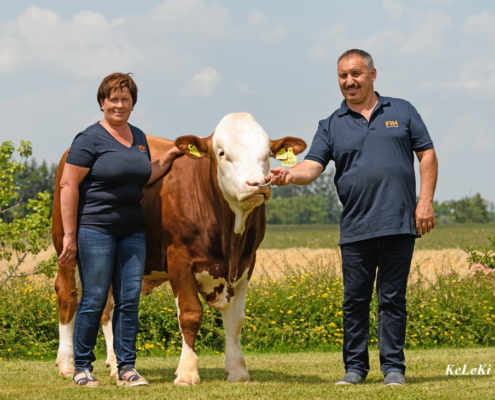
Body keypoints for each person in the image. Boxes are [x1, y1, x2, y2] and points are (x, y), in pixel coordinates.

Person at [270, 49, 438, 386]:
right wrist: (289, 174)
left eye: (356, 74)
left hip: (398, 222)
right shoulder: (331, 124)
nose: (349, 81)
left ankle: (393, 369)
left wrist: (425, 202)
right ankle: (355, 369)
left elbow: (427, 154)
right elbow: (312, 166)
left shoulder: (402, 111)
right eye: (343, 76)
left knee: (392, 299)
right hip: (356, 227)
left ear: (373, 75)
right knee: (355, 301)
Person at [58, 72, 183, 387]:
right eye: (113, 99)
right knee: (96, 298)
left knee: (129, 300)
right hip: (95, 230)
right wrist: (70, 236)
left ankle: (127, 367)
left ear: (132, 104)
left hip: (132, 231)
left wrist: (169, 156)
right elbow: (68, 184)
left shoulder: (138, 136)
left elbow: (144, 174)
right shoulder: (89, 138)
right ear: (102, 103)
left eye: (125, 99)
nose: (119, 105)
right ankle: (83, 368)